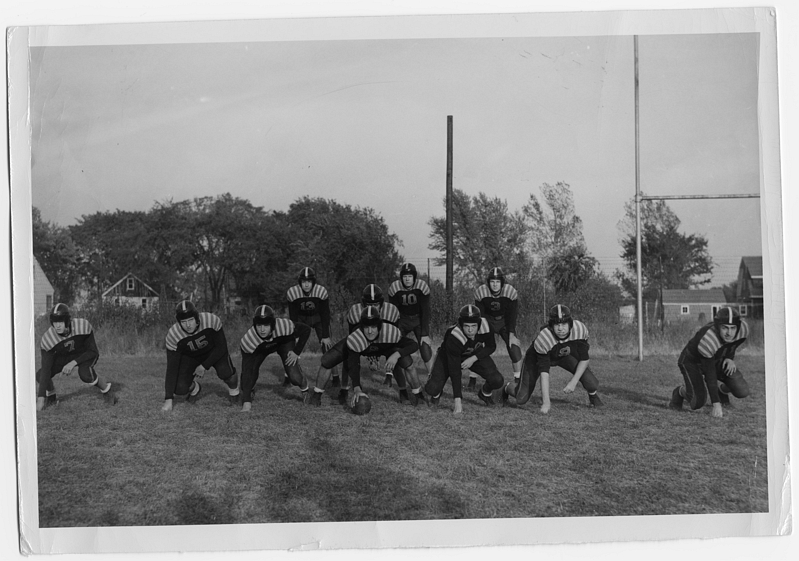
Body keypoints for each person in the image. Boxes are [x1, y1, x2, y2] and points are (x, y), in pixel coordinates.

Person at [307, 306, 426, 408]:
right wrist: (357, 389)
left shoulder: (390, 333)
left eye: (373, 327)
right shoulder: (356, 338)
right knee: (327, 360)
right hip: (362, 347)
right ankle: (316, 396)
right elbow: (353, 365)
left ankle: (419, 396)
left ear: (379, 326)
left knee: (407, 362)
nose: (369, 331)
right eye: (366, 327)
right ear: (361, 326)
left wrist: (396, 355)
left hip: (387, 348)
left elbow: (413, 345)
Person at [504, 304, 603, 413]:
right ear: (551, 325)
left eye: (564, 324)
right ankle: (506, 388)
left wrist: (573, 382)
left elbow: (584, 359)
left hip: (564, 355)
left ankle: (593, 396)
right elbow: (544, 373)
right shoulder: (544, 338)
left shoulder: (579, 330)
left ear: (570, 323)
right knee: (521, 398)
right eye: (557, 324)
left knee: (591, 382)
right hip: (537, 357)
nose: (560, 328)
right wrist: (546, 403)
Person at [669, 306, 751, 418]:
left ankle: (722, 392)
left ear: (738, 326)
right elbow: (710, 374)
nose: (729, 333)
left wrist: (729, 358)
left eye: (733, 328)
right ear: (717, 327)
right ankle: (680, 391)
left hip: (715, 358)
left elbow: (733, 344)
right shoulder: (708, 338)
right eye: (725, 328)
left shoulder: (743, 330)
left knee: (742, 390)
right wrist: (716, 404)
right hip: (692, 361)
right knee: (697, 402)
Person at [424, 304, 505, 414]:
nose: (470, 330)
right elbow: (455, 372)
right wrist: (458, 401)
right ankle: (436, 393)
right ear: (461, 324)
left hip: (473, 354)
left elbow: (491, 346)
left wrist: (474, 358)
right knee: (432, 389)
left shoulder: (486, 326)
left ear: (479, 324)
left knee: (497, 379)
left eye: (474, 326)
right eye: (467, 326)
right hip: (448, 357)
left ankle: (485, 394)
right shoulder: (454, 336)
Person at [36, 303, 117, 411]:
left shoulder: (82, 326)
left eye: (60, 321)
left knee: (85, 374)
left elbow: (93, 352)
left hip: (83, 354)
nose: (57, 326)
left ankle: (106, 390)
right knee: (40, 375)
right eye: (55, 322)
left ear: (67, 320)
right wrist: (40, 399)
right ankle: (51, 395)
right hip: (64, 357)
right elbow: (46, 369)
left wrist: (74, 362)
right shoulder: (48, 339)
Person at [162, 300, 240, 411]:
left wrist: (204, 366)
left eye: (190, 320)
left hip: (212, 351)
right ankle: (195, 388)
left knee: (226, 372)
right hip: (191, 357)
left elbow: (221, 348)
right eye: (184, 322)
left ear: (196, 317)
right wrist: (168, 399)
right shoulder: (173, 335)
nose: (188, 325)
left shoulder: (210, 320)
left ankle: (234, 391)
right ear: (179, 322)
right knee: (179, 388)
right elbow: (172, 368)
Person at [239, 305, 312, 412]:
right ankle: (250, 390)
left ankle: (305, 390)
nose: (262, 330)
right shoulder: (249, 340)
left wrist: (296, 352)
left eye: (266, 325)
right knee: (249, 376)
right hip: (261, 348)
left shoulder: (283, 325)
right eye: (259, 325)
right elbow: (247, 370)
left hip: (284, 343)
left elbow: (306, 329)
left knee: (295, 377)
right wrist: (246, 402)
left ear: (272, 324)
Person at [471, 267, 522, 390]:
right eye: (492, 281)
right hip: (487, 320)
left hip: (504, 321)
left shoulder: (510, 292)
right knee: (478, 345)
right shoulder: (481, 292)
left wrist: (511, 334)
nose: (495, 285)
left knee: (514, 348)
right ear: (488, 282)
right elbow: (480, 316)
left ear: (502, 282)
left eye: (497, 282)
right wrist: (482, 333)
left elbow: (512, 315)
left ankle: (518, 381)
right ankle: (472, 379)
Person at [286, 267, 337, 387]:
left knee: (327, 346)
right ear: (300, 282)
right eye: (304, 281)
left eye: (309, 281)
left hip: (318, 318)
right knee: (291, 344)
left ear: (313, 282)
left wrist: (325, 335)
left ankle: (336, 377)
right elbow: (293, 317)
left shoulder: (321, 291)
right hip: (301, 319)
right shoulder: (293, 293)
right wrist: (295, 334)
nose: (306, 284)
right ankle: (288, 375)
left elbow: (325, 314)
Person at [345, 284, 401, 389]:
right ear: (363, 303)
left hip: (384, 342)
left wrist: (378, 355)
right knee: (349, 354)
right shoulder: (355, 312)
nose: (372, 307)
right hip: (365, 342)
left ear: (381, 303)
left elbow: (394, 339)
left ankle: (391, 377)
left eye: (375, 304)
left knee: (394, 350)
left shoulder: (391, 311)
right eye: (368, 304)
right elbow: (353, 337)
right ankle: (347, 386)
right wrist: (371, 356)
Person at [388, 263, 435, 374]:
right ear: (401, 277)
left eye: (410, 276)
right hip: (402, 319)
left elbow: (425, 311)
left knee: (425, 346)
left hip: (418, 319)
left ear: (414, 277)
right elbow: (393, 312)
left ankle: (432, 376)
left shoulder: (421, 286)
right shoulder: (395, 287)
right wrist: (394, 330)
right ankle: (390, 373)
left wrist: (425, 333)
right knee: (394, 343)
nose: (407, 279)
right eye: (405, 276)